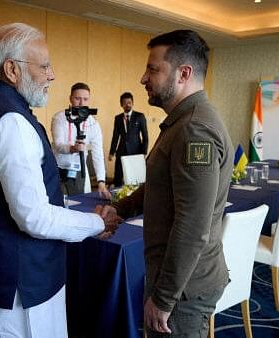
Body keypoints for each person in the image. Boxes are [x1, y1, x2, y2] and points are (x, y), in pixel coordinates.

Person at [0, 23, 120, 338]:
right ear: (12, 69)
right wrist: (96, 224)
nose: (52, 75)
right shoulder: (12, 121)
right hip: (17, 292)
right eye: (44, 66)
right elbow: (35, 218)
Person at [99, 30, 233, 337]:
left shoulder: (194, 129)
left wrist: (164, 297)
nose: (143, 78)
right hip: (180, 280)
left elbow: (193, 225)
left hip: (184, 291)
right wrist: (120, 207)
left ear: (183, 74)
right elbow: (163, 185)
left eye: (153, 69)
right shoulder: (182, 120)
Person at [51, 83, 111, 198]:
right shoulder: (59, 118)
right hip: (57, 168)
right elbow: (58, 145)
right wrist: (73, 148)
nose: (81, 103)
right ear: (70, 98)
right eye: (77, 98)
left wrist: (101, 181)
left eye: (85, 99)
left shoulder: (93, 123)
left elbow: (97, 153)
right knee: (57, 204)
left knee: (77, 203)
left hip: (78, 170)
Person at [108, 92, 148, 186]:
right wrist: (112, 152)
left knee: (134, 177)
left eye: (129, 102)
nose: (127, 105)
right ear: (121, 104)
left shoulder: (140, 116)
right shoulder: (118, 118)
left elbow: (145, 137)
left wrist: (144, 152)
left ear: (132, 103)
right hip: (121, 151)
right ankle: (117, 197)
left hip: (135, 152)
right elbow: (115, 136)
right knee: (118, 176)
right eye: (125, 103)